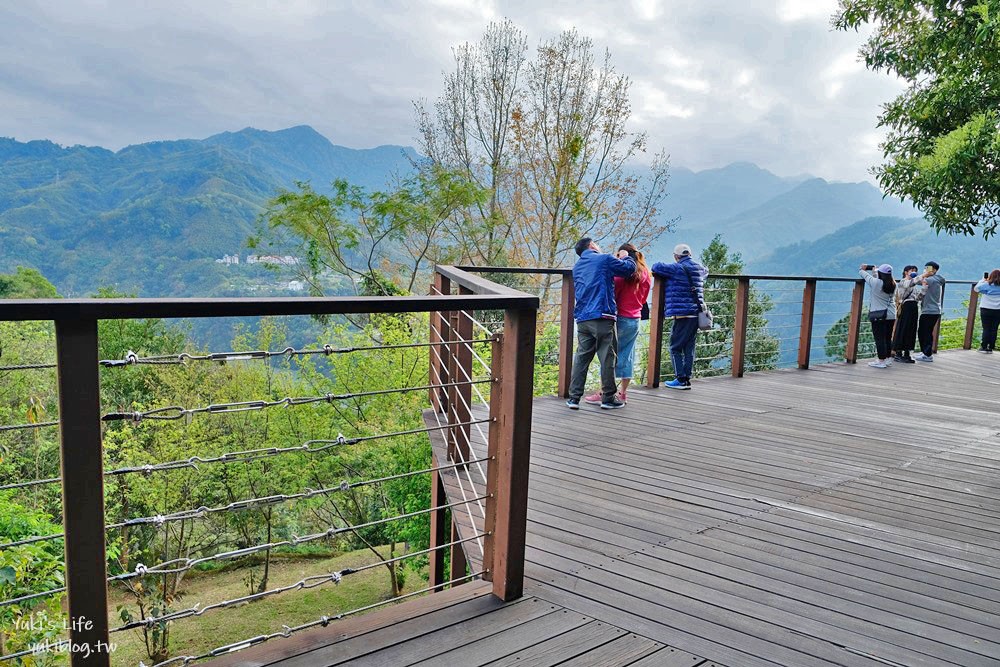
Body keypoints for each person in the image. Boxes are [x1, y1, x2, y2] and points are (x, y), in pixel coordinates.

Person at [566, 237, 636, 410]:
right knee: (607, 357)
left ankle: (573, 398)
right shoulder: (603, 258)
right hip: (602, 314)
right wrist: (626, 256)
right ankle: (608, 398)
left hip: (582, 318)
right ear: (591, 246)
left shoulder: (577, 267)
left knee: (582, 358)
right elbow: (629, 270)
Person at [584, 243, 651, 405]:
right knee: (628, 355)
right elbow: (644, 299)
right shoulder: (646, 274)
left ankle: (603, 392)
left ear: (623, 255)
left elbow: (612, 293)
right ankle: (623, 393)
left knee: (608, 355)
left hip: (619, 318)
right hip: (635, 319)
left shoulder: (622, 275)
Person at [651, 243, 707, 390]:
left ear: (676, 256)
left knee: (675, 347)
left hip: (682, 314)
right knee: (689, 347)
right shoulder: (700, 268)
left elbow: (656, 267)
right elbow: (706, 272)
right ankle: (686, 378)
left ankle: (680, 379)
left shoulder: (676, 268)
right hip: (696, 313)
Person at [860, 264, 896, 368]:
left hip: (879, 314)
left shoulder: (876, 283)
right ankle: (888, 359)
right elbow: (877, 279)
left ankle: (881, 361)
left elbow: (865, 276)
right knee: (888, 338)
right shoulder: (893, 284)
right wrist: (874, 271)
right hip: (891, 314)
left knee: (879, 338)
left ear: (880, 273)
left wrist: (863, 269)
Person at [914, 261, 946, 362]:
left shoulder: (930, 280)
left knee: (924, 332)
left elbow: (915, 281)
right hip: (935, 310)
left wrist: (920, 275)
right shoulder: (937, 279)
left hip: (929, 311)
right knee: (927, 332)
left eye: (928, 268)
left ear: (934, 270)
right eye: (925, 268)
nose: (926, 270)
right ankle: (925, 352)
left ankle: (927, 355)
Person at [892, 265, 920, 363]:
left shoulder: (915, 285)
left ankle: (907, 353)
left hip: (913, 307)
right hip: (905, 307)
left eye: (915, 271)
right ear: (905, 272)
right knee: (902, 328)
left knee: (911, 329)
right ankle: (898, 353)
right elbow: (909, 284)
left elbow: (918, 297)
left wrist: (924, 289)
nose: (914, 272)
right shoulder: (903, 282)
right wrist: (923, 276)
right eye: (911, 270)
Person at [976, 269, 1000, 353]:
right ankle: (990, 348)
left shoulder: (986, 285)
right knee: (994, 329)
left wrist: (982, 280)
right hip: (998, 310)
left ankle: (983, 347)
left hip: (986, 309)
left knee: (986, 328)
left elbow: (976, 289)